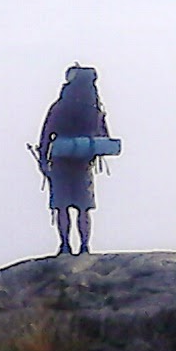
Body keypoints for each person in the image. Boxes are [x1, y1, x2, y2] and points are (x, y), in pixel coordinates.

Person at [37, 65, 110, 255]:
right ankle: (85, 246)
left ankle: (64, 246)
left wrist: (43, 161)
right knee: (84, 208)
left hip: (60, 163)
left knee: (61, 206)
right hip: (84, 163)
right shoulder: (94, 108)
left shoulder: (60, 106)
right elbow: (104, 135)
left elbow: (46, 134)